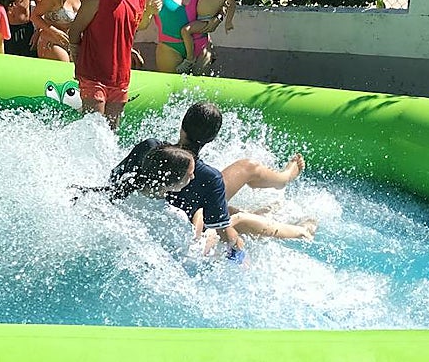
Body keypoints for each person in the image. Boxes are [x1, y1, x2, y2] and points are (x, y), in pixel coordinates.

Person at [112, 102, 314, 262]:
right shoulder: (208, 178)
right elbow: (224, 232)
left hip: (176, 211)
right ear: (212, 138)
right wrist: (240, 257)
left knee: (226, 210)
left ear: (183, 126)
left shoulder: (150, 148)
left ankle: (262, 210)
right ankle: (297, 221)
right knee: (242, 198)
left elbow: (116, 181)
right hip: (195, 222)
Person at [66, 0, 160, 130]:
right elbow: (75, 31)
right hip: (94, 74)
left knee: (111, 133)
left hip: (120, 77)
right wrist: (77, 58)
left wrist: (149, 14)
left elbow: (134, 27)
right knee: (93, 132)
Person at [180, 0, 238, 71]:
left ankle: (189, 59)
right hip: (199, 17)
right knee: (187, 32)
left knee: (185, 31)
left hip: (206, 20)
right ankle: (205, 55)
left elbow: (232, 4)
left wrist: (228, 22)